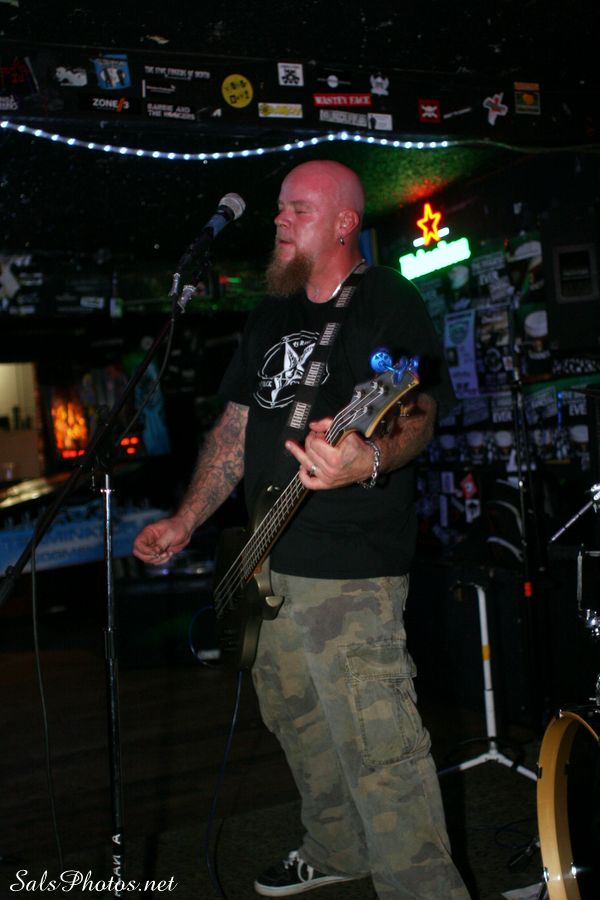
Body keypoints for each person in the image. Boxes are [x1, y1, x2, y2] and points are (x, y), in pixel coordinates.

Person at [133, 160, 470, 899]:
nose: (279, 221)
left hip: (350, 571)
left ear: (345, 223)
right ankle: (336, 846)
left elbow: (416, 409)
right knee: (298, 724)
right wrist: (187, 517)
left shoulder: (387, 298)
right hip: (265, 560)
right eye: (280, 210)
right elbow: (234, 429)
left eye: (297, 209)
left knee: (381, 749)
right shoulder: (271, 314)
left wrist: (367, 457)